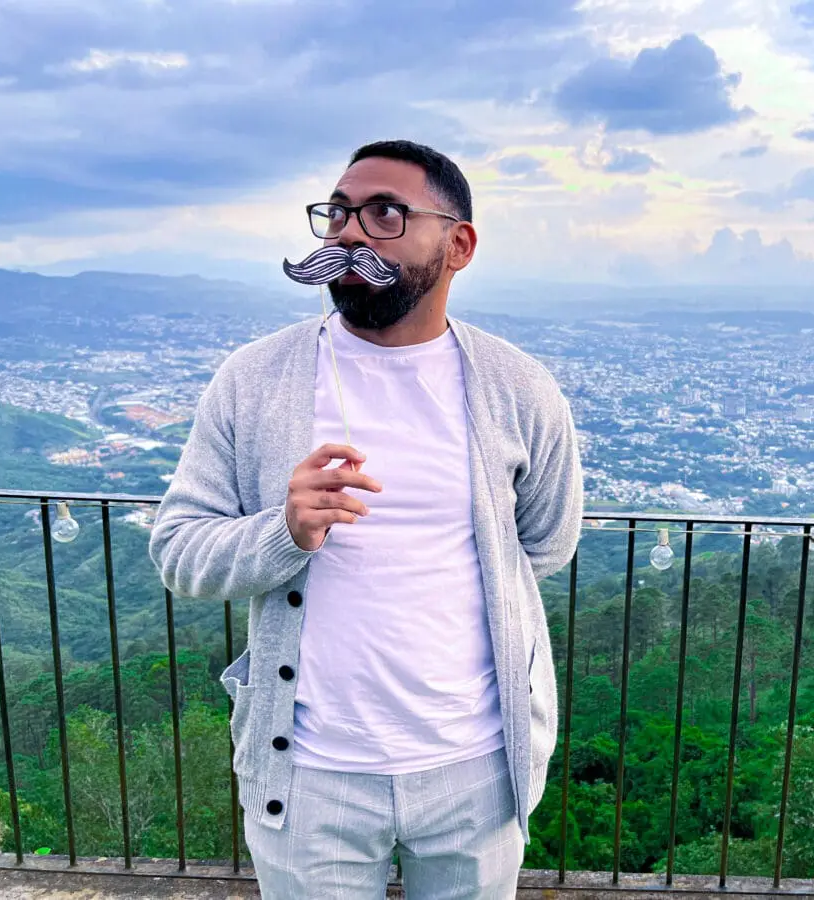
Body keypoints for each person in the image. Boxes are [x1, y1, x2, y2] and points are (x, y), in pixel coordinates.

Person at [148, 139, 584, 899]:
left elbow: (544, 543)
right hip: (306, 773)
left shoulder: (519, 388)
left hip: (478, 766)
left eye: (386, 213)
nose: (350, 231)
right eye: (339, 212)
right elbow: (180, 552)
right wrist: (282, 532)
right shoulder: (255, 380)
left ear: (459, 245)